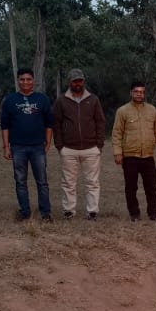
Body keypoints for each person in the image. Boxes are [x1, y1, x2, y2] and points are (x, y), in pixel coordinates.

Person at [0, 67, 53, 221]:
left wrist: (48, 143)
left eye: (28, 79)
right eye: (22, 79)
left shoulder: (42, 99)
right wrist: (6, 147)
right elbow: (5, 126)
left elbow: (49, 124)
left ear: (33, 81)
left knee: (42, 182)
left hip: (38, 147)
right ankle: (24, 212)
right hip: (18, 147)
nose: (25, 82)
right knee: (20, 181)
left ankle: (45, 213)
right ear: (18, 81)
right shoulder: (10, 100)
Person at [53, 68, 105, 220]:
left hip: (91, 148)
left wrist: (99, 144)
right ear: (69, 82)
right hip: (68, 149)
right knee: (68, 183)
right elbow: (56, 124)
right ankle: (69, 211)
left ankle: (92, 211)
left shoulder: (93, 99)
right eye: (74, 81)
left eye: (80, 80)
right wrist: (60, 146)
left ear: (84, 81)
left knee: (92, 182)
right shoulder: (61, 100)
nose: (78, 83)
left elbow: (100, 122)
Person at [111, 80, 156, 221]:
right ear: (131, 93)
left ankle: (153, 213)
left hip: (148, 156)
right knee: (131, 188)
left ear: (144, 94)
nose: (139, 94)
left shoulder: (152, 110)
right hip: (130, 156)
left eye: (142, 92)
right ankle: (134, 214)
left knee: (151, 187)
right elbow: (117, 134)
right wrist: (118, 153)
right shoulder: (122, 111)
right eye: (136, 91)